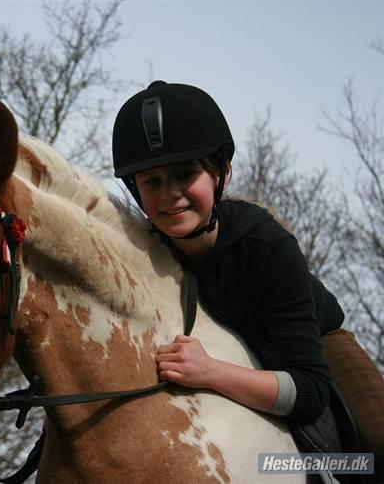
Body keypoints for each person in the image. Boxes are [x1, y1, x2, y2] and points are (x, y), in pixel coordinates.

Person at [112, 80, 383, 481]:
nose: (169, 195)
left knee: (376, 452)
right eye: (152, 181)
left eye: (184, 174)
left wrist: (210, 372)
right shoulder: (143, 251)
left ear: (221, 173)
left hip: (315, 348)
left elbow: (309, 392)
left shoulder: (269, 246)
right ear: (136, 190)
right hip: (224, 348)